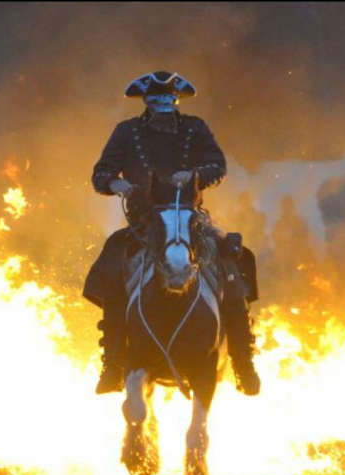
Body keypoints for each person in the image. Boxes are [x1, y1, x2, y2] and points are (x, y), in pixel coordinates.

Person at [83, 70, 260, 396]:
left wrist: (192, 174)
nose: (163, 106)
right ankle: (113, 363)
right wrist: (117, 184)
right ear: (147, 103)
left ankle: (243, 362)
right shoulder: (126, 131)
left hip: (190, 218)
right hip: (144, 222)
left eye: (168, 99)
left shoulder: (195, 127)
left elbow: (217, 164)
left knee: (236, 261)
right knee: (112, 265)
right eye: (157, 100)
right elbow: (101, 173)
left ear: (176, 100)